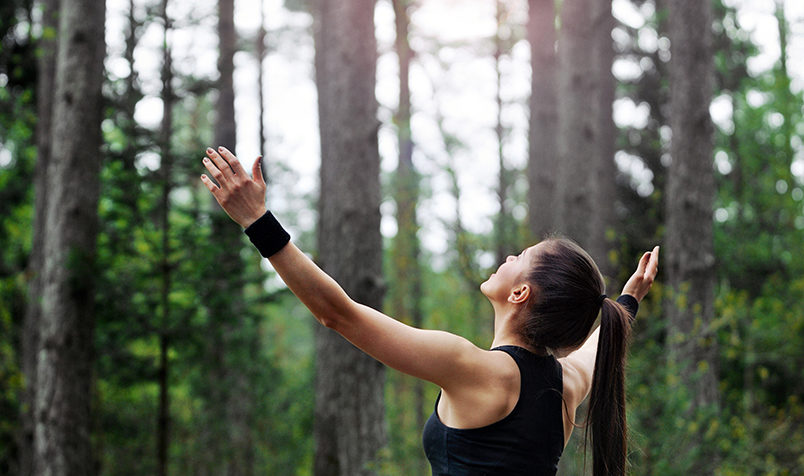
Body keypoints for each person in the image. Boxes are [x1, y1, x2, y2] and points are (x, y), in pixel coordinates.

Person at [199, 146, 660, 476]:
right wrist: (626, 302)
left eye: (520, 257)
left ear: (520, 294)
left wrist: (257, 222)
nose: (508, 257)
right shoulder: (567, 383)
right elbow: (602, 345)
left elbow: (337, 313)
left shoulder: (473, 368)